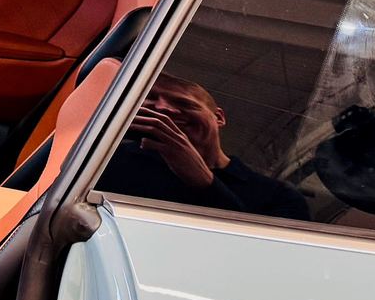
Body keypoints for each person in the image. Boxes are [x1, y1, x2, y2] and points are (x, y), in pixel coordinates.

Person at [102, 73, 310, 221]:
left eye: (184, 103)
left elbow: (265, 256)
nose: (163, 108)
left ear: (219, 117)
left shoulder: (277, 195)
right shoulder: (111, 162)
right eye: (150, 102)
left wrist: (205, 182)